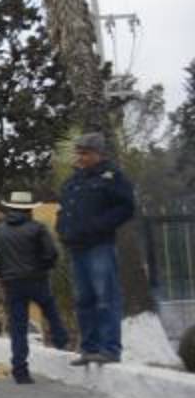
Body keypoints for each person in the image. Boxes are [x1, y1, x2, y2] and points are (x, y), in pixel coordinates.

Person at [56, 133, 136, 365]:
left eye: (85, 153)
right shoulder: (74, 180)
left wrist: (98, 226)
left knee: (106, 297)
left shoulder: (112, 177)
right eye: (78, 152)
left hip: (99, 245)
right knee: (83, 300)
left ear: (98, 154)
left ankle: (110, 349)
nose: (80, 157)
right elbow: (64, 208)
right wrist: (62, 228)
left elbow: (126, 207)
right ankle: (89, 349)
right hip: (77, 247)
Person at [0, 191, 70, 383]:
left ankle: (20, 370)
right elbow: (51, 254)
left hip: (11, 283)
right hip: (37, 280)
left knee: (18, 328)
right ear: (29, 209)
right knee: (51, 311)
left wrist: (2, 276)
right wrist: (43, 268)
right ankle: (60, 340)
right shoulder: (37, 228)